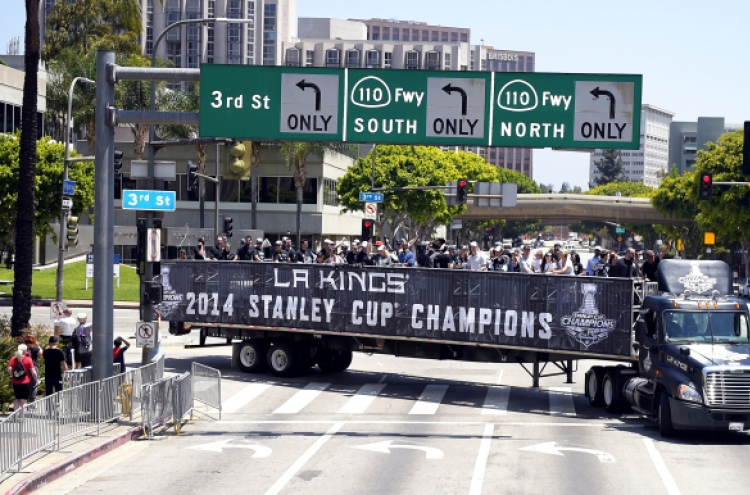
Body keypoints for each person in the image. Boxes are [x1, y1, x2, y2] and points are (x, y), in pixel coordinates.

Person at [8, 344, 36, 412]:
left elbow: (9, 369)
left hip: (15, 382)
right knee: (23, 400)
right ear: (25, 351)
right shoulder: (28, 359)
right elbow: (33, 372)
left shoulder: (13, 358)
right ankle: (22, 417)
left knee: (17, 399)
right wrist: (36, 380)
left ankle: (14, 417)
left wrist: (12, 376)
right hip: (25, 382)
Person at [24, 334, 41, 402]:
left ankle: (25, 400)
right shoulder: (35, 348)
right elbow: (41, 354)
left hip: (24, 367)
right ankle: (32, 401)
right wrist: (38, 345)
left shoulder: (23, 348)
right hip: (33, 366)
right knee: (34, 384)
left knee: (26, 384)